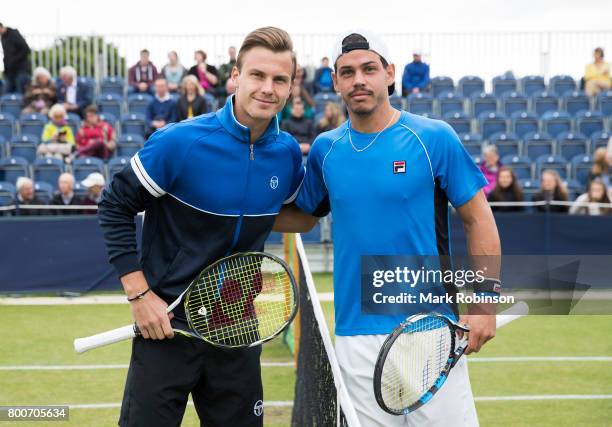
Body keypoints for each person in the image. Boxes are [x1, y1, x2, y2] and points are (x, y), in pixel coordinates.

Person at [273, 30, 500, 427]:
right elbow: (303, 216)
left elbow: (478, 219)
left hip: (430, 329)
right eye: (347, 72)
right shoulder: (326, 149)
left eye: (369, 69)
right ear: (336, 82)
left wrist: (484, 302)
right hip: (355, 338)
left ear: (390, 74)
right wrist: (230, 208)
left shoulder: (434, 137)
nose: (358, 79)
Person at [98, 26, 304, 427]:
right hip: (165, 330)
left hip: (237, 332)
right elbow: (114, 205)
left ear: (291, 86)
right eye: (258, 75)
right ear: (234, 77)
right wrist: (139, 295)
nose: (268, 88)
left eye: (280, 79)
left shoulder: (286, 154)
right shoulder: (179, 142)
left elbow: (295, 214)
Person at [0, 23, 31, 94]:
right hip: (10, 71)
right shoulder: (3, 38)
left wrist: (14, 60)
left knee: (20, 92)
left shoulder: (14, 33)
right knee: (5, 92)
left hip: (20, 70)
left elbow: (25, 49)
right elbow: (6, 55)